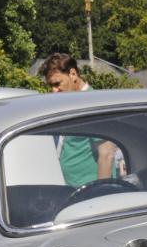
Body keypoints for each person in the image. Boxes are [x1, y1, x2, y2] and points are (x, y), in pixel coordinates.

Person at [39, 53, 117, 183]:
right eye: (51, 86)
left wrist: (101, 194)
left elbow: (107, 154)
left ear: (73, 74)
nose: (54, 90)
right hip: (71, 191)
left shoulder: (93, 104)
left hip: (90, 195)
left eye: (57, 84)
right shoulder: (71, 103)